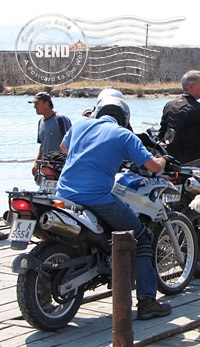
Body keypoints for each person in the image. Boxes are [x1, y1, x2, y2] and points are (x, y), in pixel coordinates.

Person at [56, 96, 172, 320]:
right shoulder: (124, 135)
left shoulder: (80, 123)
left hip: (63, 195)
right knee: (141, 237)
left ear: (98, 111)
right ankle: (147, 302)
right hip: (97, 198)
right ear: (125, 118)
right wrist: (163, 159)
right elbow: (153, 166)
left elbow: (64, 146)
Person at [29, 92, 72, 177]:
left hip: (61, 167)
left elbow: (71, 142)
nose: (34, 107)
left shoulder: (60, 119)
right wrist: (36, 163)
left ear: (46, 104)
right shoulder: (40, 122)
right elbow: (42, 145)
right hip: (46, 168)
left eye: (37, 104)